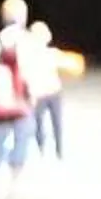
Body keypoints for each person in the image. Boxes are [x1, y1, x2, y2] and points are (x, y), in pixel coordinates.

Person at [0, 17, 33, 192]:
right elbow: (29, 73)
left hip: (1, 100)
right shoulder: (26, 40)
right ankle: (14, 182)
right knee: (21, 140)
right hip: (19, 101)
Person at [23, 21, 67, 158]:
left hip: (53, 91)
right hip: (39, 93)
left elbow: (65, 65)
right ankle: (42, 147)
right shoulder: (29, 55)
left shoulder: (53, 52)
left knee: (57, 123)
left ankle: (59, 150)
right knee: (38, 123)